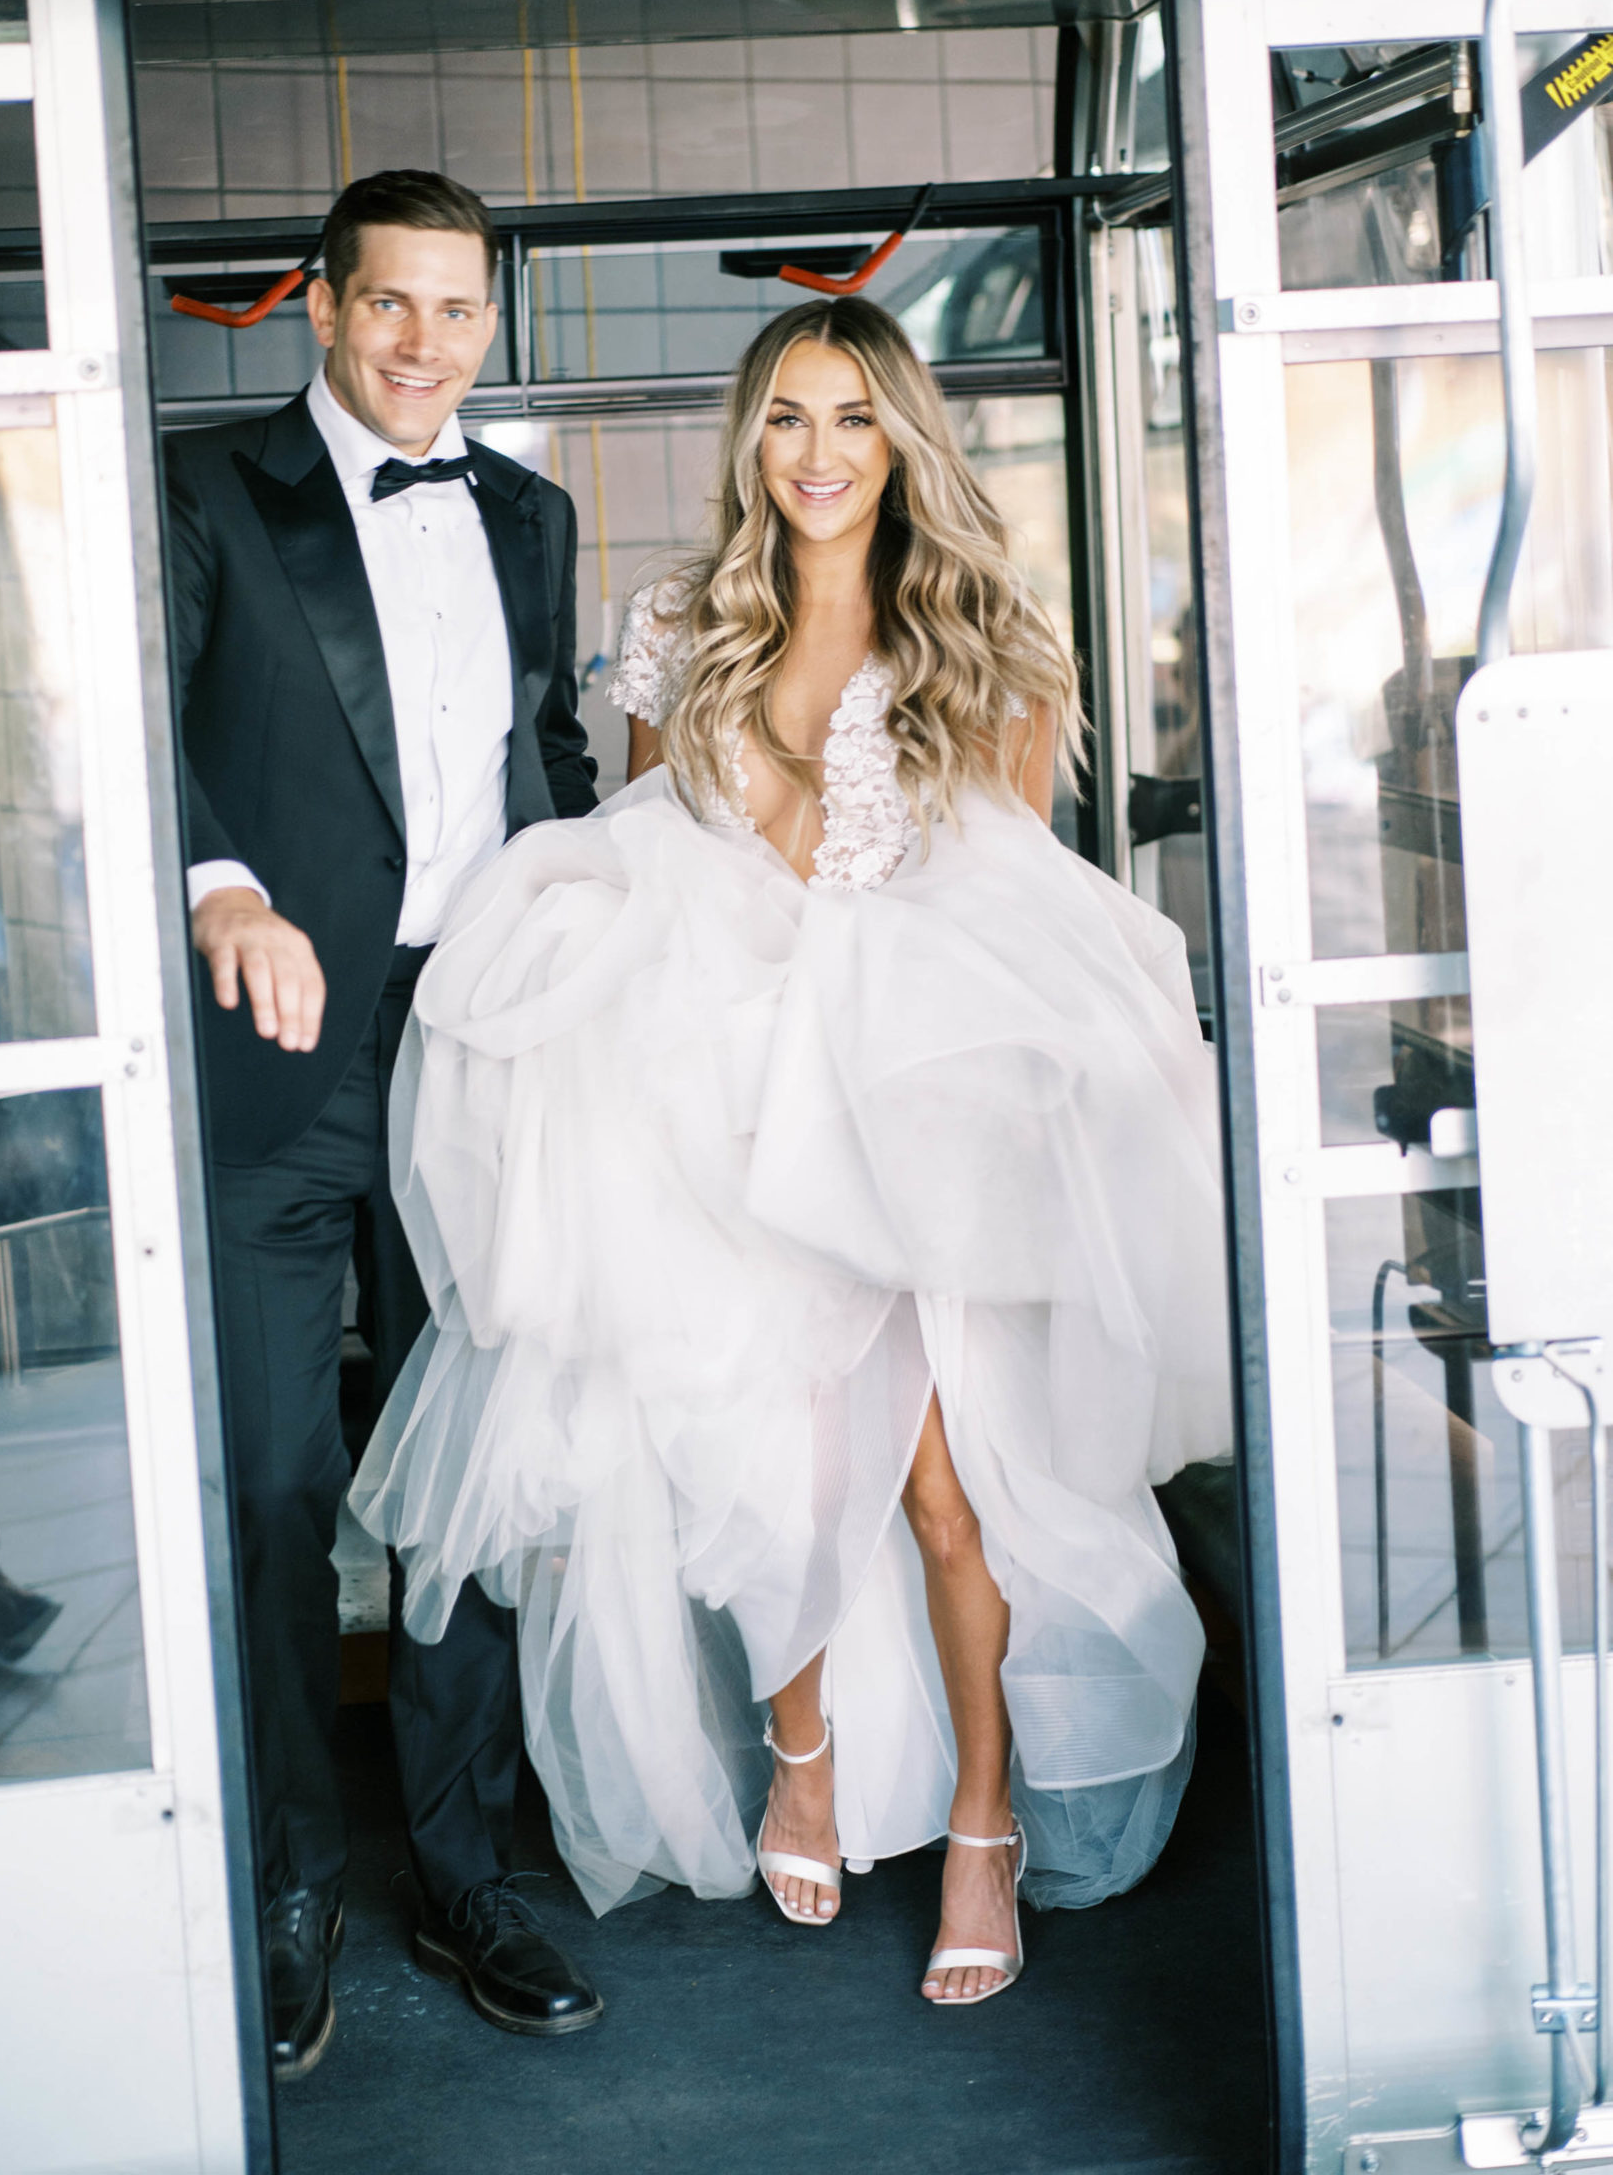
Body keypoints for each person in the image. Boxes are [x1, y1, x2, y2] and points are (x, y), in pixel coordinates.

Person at [354, 295, 1232, 2007]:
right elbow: (634, 861)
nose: (816, 455)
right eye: (783, 419)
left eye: (848, 417)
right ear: (749, 443)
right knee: (775, 1467)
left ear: (899, 436)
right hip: (723, 1117)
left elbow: (1006, 906)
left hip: (905, 1124)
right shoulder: (680, 625)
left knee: (946, 1495)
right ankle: (804, 1752)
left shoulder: (983, 639)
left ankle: (984, 1821)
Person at [165, 170, 604, 2077]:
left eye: (459, 309)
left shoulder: (529, 511)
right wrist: (217, 885)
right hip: (274, 1048)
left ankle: (464, 1868)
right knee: (271, 1484)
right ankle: (281, 1882)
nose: (428, 344)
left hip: (482, 1042)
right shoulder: (205, 489)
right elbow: (137, 729)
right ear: (320, 309)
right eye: (392, 306)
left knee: (475, 1470)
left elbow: (549, 762)